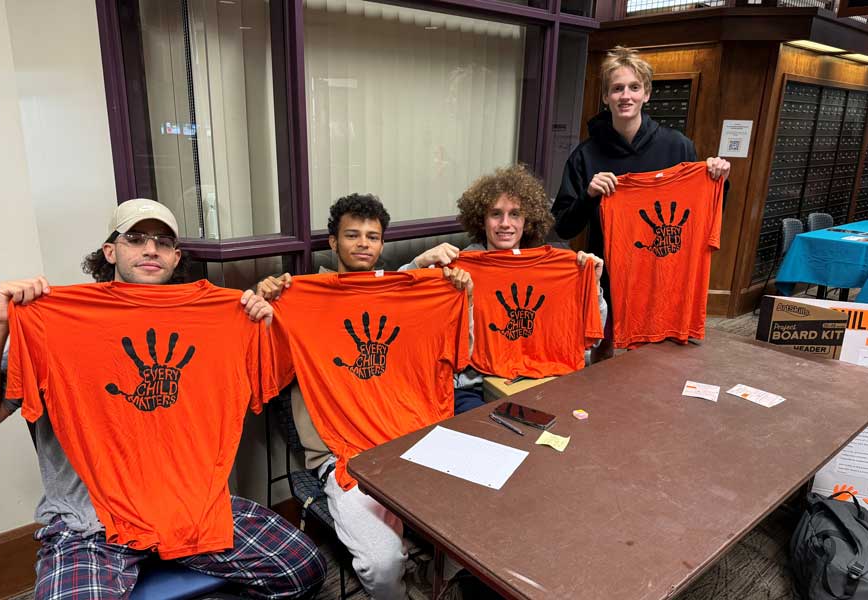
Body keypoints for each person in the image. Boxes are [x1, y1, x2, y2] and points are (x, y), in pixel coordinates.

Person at [0, 199, 326, 599]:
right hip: (92, 521)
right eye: (136, 238)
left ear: (175, 257)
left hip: (192, 507)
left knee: (303, 567)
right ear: (111, 251)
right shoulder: (56, 321)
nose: (150, 249)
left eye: (163, 241)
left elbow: (281, 376)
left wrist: (265, 323)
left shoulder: (219, 317)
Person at [257, 193, 471, 600]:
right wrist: (265, 303)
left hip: (411, 438)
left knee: (478, 525)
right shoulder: (300, 299)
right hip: (346, 454)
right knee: (381, 561)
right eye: (352, 235)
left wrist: (450, 286)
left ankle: (435, 577)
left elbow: (453, 343)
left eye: (372, 237)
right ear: (333, 243)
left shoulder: (403, 292)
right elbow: (260, 363)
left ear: (382, 245)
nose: (362, 244)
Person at [550, 46, 730, 359]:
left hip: (665, 279)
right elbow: (563, 226)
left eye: (634, 87)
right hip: (609, 283)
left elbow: (700, 217)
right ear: (605, 97)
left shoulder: (678, 147)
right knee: (604, 366)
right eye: (617, 88)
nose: (625, 96)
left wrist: (718, 181)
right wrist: (589, 196)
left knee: (661, 364)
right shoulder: (586, 155)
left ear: (647, 94)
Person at [399, 164, 607, 408]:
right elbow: (399, 301)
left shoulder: (557, 266)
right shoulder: (458, 266)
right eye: (496, 214)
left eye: (515, 214)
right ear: (482, 219)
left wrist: (593, 286)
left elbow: (591, 336)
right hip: (474, 384)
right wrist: (419, 263)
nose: (505, 223)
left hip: (540, 376)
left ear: (528, 219)